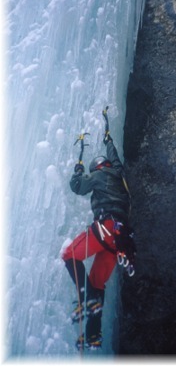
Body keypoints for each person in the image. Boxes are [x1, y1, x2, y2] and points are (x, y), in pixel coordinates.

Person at [61, 133, 136, 349]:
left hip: (106, 229)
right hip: (119, 243)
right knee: (97, 283)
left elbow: (77, 186)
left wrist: (78, 169)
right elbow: (117, 160)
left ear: (97, 168)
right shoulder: (119, 176)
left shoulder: (100, 175)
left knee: (69, 254)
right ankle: (93, 335)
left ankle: (88, 300)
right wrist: (109, 141)